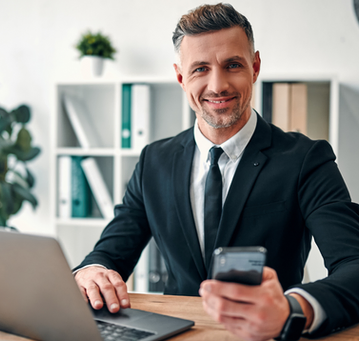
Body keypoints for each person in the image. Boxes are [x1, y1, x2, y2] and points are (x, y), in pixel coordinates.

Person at [74, 3, 359, 340]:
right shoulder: (155, 160)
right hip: (174, 333)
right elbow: (110, 252)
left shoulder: (306, 159)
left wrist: (292, 309)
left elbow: (354, 265)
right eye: (200, 69)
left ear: (254, 67)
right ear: (181, 77)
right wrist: (91, 272)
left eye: (232, 65)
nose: (217, 85)